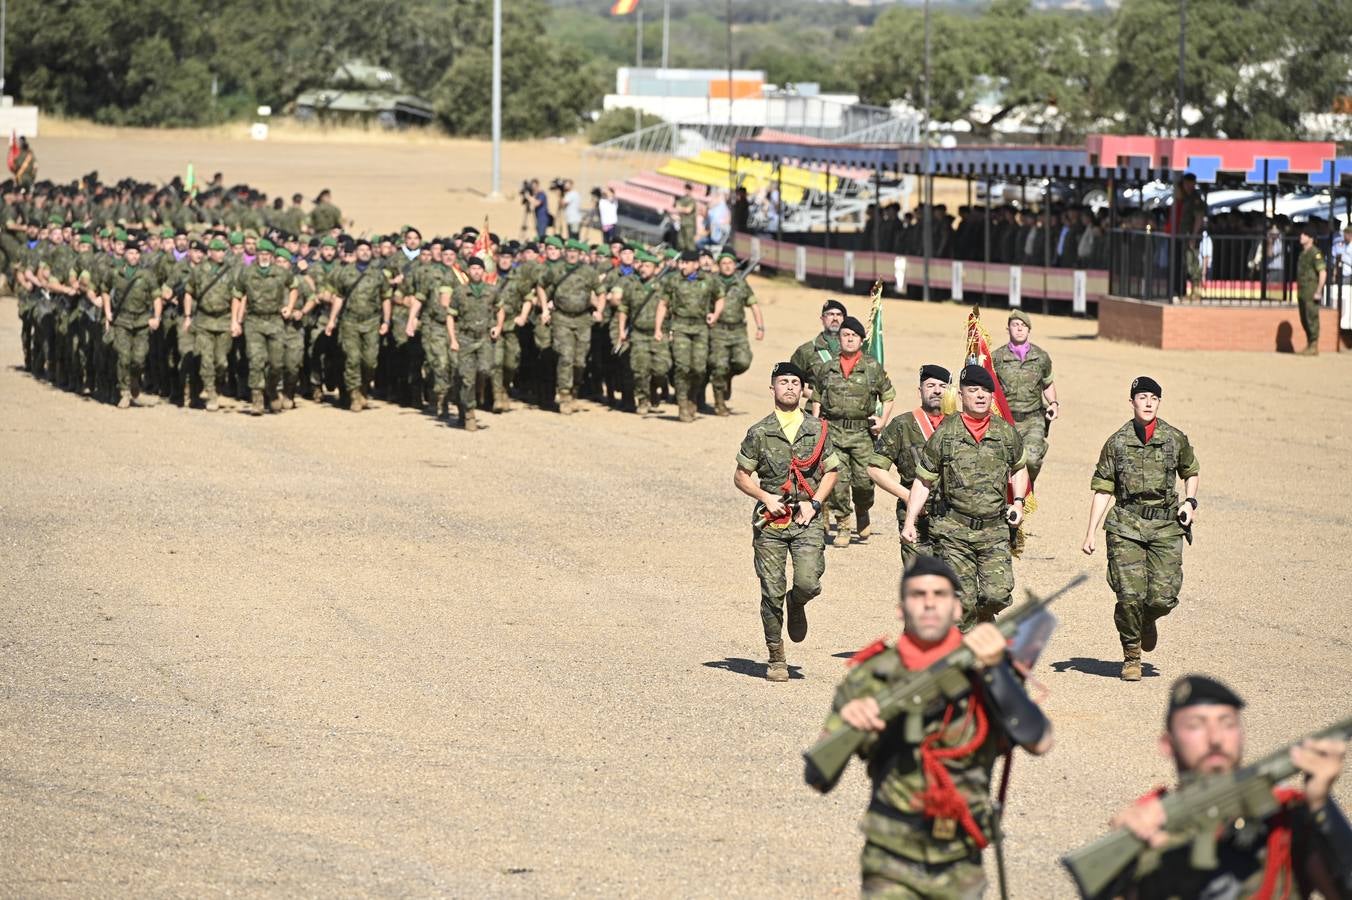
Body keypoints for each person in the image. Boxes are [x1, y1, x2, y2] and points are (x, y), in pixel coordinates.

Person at [815, 555, 1053, 897]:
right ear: (901, 609)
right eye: (918, 594)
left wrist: (996, 670)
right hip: (889, 861)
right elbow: (818, 777)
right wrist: (850, 726)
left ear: (958, 608)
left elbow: (1039, 740)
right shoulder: (872, 676)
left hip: (961, 858)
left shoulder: (989, 673)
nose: (929, 603)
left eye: (940, 594)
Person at [1096, 675, 1351, 899]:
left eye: (1227, 723)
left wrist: (1321, 806)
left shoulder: (1286, 819)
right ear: (1167, 743)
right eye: (1195, 725)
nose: (1215, 739)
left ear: (1242, 735)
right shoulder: (1145, 823)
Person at [1081, 376, 1199, 681]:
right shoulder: (1117, 442)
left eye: (1153, 398)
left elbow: (1191, 471)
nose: (1148, 403)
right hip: (1126, 525)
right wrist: (1091, 531)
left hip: (1165, 525)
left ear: (1159, 403)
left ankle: (1148, 621)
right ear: (1132, 401)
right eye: (1142, 397)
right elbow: (1104, 488)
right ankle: (1131, 655)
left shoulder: (1174, 438)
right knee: (1129, 594)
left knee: (1163, 597)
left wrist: (1190, 502)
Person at [733, 362, 841, 682]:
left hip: (806, 517)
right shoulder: (759, 431)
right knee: (771, 589)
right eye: (784, 382)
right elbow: (741, 476)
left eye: (795, 382)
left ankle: (798, 604)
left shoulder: (817, 428)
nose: (790, 387)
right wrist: (765, 497)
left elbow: (831, 470)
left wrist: (816, 503)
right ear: (773, 389)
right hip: (771, 521)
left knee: (809, 582)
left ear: (802, 389)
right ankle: (776, 655)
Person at [902, 365, 1029, 631]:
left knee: (998, 594)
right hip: (954, 532)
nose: (981, 396)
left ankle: (985, 616)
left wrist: (1018, 501)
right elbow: (924, 480)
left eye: (986, 391)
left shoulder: (1006, 433)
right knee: (963, 602)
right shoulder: (946, 435)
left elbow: (1019, 467)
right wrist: (910, 520)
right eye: (973, 390)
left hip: (994, 531)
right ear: (961, 395)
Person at [810, 315, 896, 548]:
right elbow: (817, 397)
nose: (849, 339)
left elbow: (888, 396)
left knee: (864, 483)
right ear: (839, 339)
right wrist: (816, 426)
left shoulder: (871, 368)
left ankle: (862, 509)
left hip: (861, 435)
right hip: (834, 432)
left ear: (861, 340)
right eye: (845, 335)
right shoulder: (827, 368)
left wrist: (882, 421)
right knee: (838, 482)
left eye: (854, 336)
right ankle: (844, 524)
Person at [869, 365, 949, 569]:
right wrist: (908, 497)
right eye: (930, 385)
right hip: (916, 516)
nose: (937, 390)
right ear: (920, 390)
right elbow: (875, 469)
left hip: (954, 515)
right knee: (922, 580)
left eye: (942, 386)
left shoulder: (959, 423)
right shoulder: (902, 425)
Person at [321, 238, 392, 412]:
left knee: (370, 361)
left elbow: (386, 298)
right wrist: (331, 320)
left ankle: (364, 388)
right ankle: (354, 394)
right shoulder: (345, 273)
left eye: (368, 250)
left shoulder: (378, 274)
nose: (365, 253)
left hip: (371, 321)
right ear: (356, 253)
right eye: (361, 250)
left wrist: (386, 321)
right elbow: (338, 297)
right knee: (352, 358)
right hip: (350, 321)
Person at [654, 249, 724, 423]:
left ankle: (693, 396)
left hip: (701, 328)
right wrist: (658, 328)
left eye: (686, 263)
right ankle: (682, 403)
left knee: (699, 369)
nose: (682, 266)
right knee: (682, 367)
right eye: (681, 262)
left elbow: (720, 298)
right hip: (680, 327)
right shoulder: (673, 280)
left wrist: (715, 315)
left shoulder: (708, 280)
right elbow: (663, 304)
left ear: (696, 264)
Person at [990, 310, 1058, 487]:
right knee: (1001, 463)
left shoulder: (1041, 357)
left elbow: (1048, 383)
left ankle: (1027, 490)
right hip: (1005, 420)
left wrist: (1053, 403)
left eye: (1023, 325)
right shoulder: (996, 358)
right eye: (1015, 325)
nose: (1019, 329)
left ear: (1029, 330)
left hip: (1033, 419)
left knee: (1032, 460)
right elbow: (988, 386)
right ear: (1008, 329)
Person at [231, 239, 296, 415]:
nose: (264, 257)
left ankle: (272, 390)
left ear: (272, 256)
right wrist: (235, 321)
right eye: (261, 253)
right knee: (256, 360)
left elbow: (294, 286)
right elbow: (237, 295)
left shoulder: (281, 272)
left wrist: (289, 307)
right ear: (257, 255)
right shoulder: (247, 272)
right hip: (254, 321)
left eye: (267, 254)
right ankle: (257, 399)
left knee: (276, 363)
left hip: (275, 321)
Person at [539, 238, 603, 414]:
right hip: (562, 318)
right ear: (565, 252)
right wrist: (545, 309)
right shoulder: (556, 270)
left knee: (580, 361)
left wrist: (599, 310)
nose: (572, 254)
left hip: (583, 320)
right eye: (569, 251)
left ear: (580, 254)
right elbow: (541, 286)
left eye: (576, 252)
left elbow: (601, 291)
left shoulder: (588, 272)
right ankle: (564, 395)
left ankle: (574, 391)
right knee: (565, 356)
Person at [446, 256, 503, 432]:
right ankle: (469, 412)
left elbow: (500, 309)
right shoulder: (459, 292)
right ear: (468, 272)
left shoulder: (492, 290)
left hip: (484, 338)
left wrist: (498, 327)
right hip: (465, 339)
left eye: (479, 269)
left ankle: (472, 399)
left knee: (485, 370)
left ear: (484, 272)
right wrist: (453, 340)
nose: (476, 272)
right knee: (466, 378)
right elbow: (450, 316)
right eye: (473, 269)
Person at [108, 242, 163, 409]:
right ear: (125, 254)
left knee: (138, 359)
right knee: (123, 357)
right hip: (122, 321)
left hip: (141, 321)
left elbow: (156, 297)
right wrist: (107, 312)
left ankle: (134, 379)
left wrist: (157, 317)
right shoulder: (115, 273)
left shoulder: (147, 275)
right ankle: (124, 392)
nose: (133, 256)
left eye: (136, 253)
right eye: (130, 253)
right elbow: (104, 290)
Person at [708, 251, 763, 416]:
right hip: (718, 330)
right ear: (719, 265)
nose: (727, 266)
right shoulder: (712, 282)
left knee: (743, 361)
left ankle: (728, 377)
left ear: (734, 265)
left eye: (730, 263)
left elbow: (753, 305)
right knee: (719, 366)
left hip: (738, 331)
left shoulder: (741, 283)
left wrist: (760, 327)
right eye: (723, 263)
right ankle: (719, 402)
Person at [789, 299, 846, 400]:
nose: (835, 318)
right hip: (817, 411)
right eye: (830, 314)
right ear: (822, 319)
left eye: (839, 315)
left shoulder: (855, 350)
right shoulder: (807, 350)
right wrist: (817, 397)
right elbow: (791, 384)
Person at [1296, 225, 1327, 356]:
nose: (1301, 237)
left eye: (1304, 235)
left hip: (1311, 289)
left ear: (1311, 238)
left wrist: (1319, 290)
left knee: (1311, 317)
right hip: (1302, 290)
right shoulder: (1303, 253)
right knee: (1304, 318)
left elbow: (1322, 272)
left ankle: (1314, 345)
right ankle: (1309, 343)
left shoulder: (1315, 253)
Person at [674, 183, 698, 252]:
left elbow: (688, 210)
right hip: (682, 223)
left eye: (688, 189)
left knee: (689, 243)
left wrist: (681, 208)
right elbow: (677, 208)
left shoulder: (692, 200)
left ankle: (691, 258)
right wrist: (682, 209)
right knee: (681, 242)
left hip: (689, 224)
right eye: (686, 189)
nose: (687, 190)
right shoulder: (682, 199)